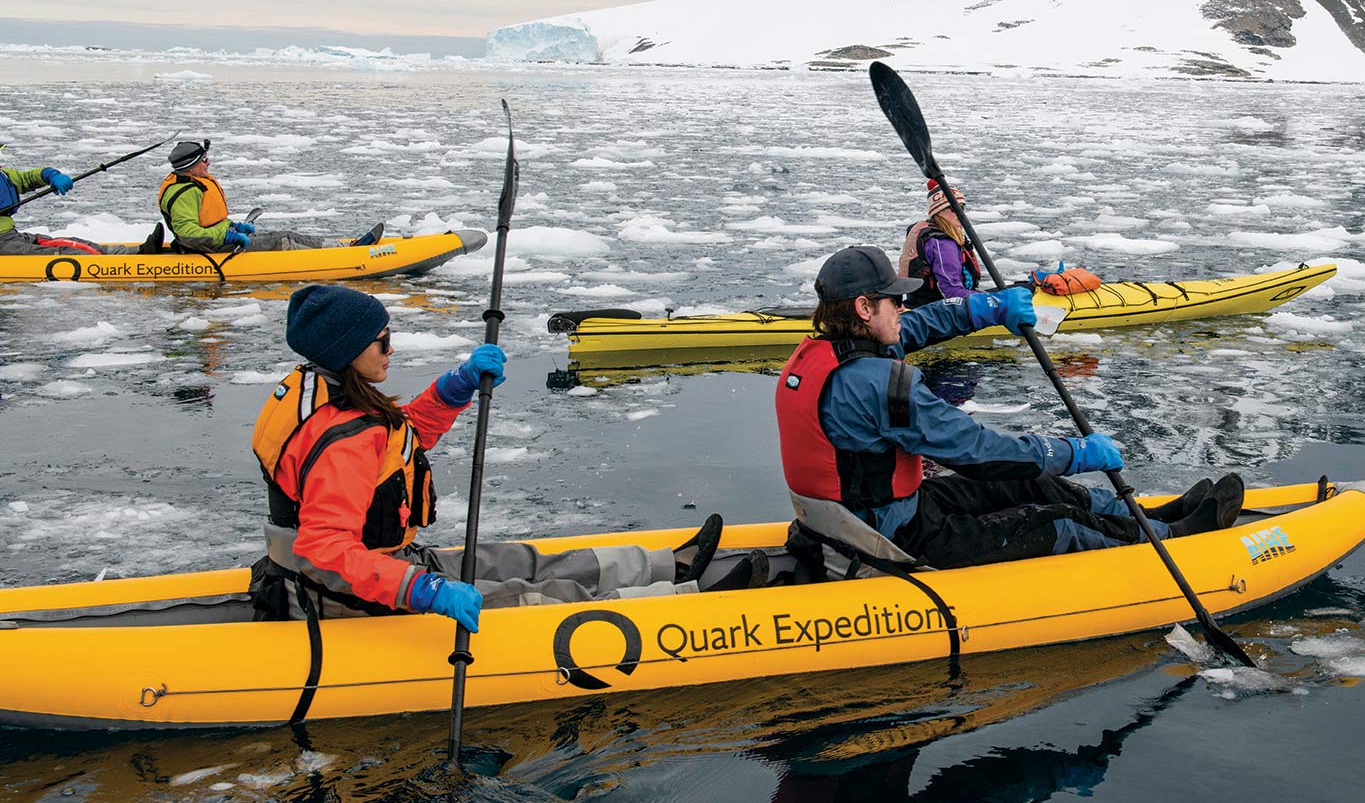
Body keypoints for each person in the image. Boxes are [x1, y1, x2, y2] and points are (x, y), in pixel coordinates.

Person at [249, 283, 736, 631]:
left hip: (385, 560)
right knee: (531, 598)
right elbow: (327, 550)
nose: (390, 349)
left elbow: (394, 448)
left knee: (517, 560)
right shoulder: (342, 438)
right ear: (347, 350)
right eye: (381, 340)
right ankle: (681, 607)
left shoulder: (318, 390)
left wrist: (452, 389)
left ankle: (664, 565)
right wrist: (424, 591)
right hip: (345, 593)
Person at [775, 245, 1243, 574]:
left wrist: (986, 308)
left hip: (878, 511)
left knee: (1030, 483)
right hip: (891, 535)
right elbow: (979, 454)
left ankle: (1149, 515)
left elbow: (917, 325)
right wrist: (1074, 453)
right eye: (893, 300)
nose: (902, 306)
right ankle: (1174, 541)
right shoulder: (878, 387)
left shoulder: (827, 351)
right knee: (1056, 520)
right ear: (863, 308)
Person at [159, 139, 381, 253]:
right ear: (190, 166)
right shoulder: (186, 193)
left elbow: (206, 223)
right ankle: (346, 253)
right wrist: (227, 236)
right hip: (209, 247)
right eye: (204, 161)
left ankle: (343, 246)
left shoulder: (193, 185)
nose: (209, 164)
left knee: (284, 234)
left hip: (215, 241)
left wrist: (233, 226)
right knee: (283, 240)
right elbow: (189, 235)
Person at [0, 147, 142, 255]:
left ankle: (133, 251)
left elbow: (27, 178)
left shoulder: (4, 175)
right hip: (3, 245)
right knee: (59, 252)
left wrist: (51, 175)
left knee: (68, 242)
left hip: (10, 236)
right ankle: (108, 265)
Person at [897, 179, 980, 306]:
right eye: (953, 208)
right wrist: (993, 301)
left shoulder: (938, 235)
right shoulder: (942, 244)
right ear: (939, 211)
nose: (959, 212)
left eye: (962, 208)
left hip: (923, 304)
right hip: (938, 311)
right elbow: (951, 291)